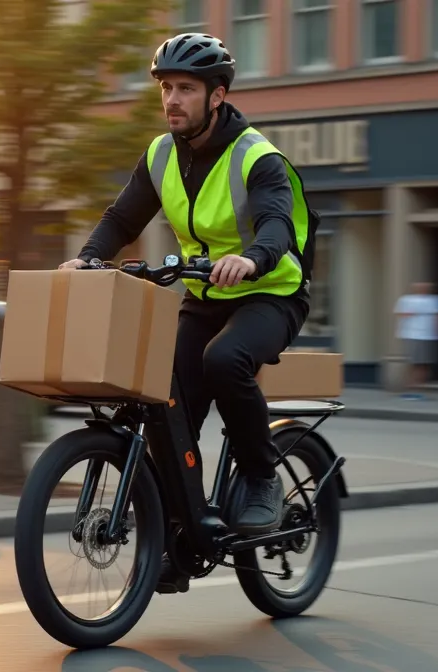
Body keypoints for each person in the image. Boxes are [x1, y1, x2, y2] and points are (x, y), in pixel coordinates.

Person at [58, 33, 318, 591]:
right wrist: (86, 259)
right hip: (205, 296)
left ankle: (259, 475)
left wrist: (250, 260)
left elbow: (276, 223)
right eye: (167, 88)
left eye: (186, 89)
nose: (172, 100)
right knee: (165, 401)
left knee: (224, 359)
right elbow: (123, 218)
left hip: (271, 293)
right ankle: (182, 534)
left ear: (216, 96)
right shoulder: (159, 155)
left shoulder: (256, 156)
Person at [393, 282, 438, 399]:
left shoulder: (435, 300)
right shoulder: (406, 300)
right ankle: (412, 389)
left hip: (429, 335)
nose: (423, 289)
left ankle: (416, 389)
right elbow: (400, 314)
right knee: (415, 363)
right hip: (412, 334)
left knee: (424, 363)